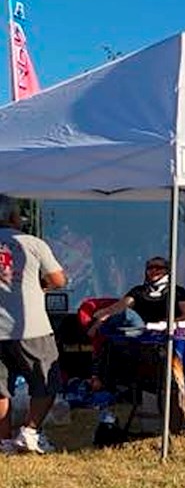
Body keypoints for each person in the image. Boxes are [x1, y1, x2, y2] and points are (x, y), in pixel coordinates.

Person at [0, 195, 68, 455]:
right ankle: (29, 432)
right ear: (14, 217)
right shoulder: (31, 243)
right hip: (30, 326)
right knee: (46, 380)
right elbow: (58, 280)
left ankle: (4, 441)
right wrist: (40, 286)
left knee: (0, 389)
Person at [88, 257, 185, 335]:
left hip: (164, 330)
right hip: (139, 328)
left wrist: (167, 324)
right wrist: (100, 318)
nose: (154, 270)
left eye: (158, 267)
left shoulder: (177, 291)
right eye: (150, 268)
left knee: (125, 317)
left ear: (167, 271)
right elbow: (118, 308)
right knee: (125, 315)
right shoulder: (138, 291)